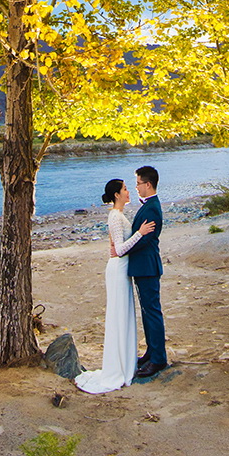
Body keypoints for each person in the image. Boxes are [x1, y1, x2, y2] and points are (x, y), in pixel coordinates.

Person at [74, 179, 156, 394]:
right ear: (117, 195)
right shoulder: (115, 216)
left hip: (122, 270)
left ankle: (126, 362)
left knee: (124, 316)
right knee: (120, 316)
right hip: (118, 270)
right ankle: (119, 367)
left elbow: (116, 246)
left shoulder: (118, 215)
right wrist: (140, 232)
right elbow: (119, 249)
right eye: (126, 189)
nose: (129, 192)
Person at [127, 165, 168, 378]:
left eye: (138, 183)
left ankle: (159, 359)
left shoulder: (152, 207)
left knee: (152, 312)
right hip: (144, 266)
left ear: (148, 184)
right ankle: (152, 352)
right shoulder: (149, 205)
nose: (136, 187)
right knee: (147, 311)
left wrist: (123, 247)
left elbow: (144, 239)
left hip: (148, 266)